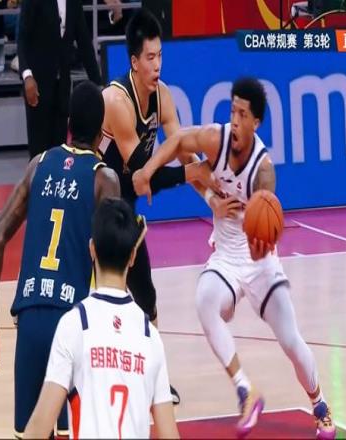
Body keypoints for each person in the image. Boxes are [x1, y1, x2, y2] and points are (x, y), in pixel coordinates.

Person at [133, 77, 336, 439]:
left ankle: (319, 403)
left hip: (260, 262)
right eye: (233, 111)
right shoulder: (217, 139)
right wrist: (148, 172)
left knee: (290, 340)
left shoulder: (263, 171)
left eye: (243, 115)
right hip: (226, 256)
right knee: (204, 302)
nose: (236, 121)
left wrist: (259, 241)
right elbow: (178, 141)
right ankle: (246, 390)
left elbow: (265, 233)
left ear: (256, 122)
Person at [0, 81, 120, 438]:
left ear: (69, 123)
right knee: (74, 430)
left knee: (29, 433)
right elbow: (113, 254)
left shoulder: (38, 165)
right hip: (72, 320)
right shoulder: (104, 179)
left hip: (30, 315)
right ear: (102, 131)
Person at [99, 8, 216, 404]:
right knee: (96, 301)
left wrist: (212, 199)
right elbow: (141, 175)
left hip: (125, 204)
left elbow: (181, 150)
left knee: (146, 298)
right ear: (134, 61)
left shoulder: (163, 95)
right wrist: (194, 173)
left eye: (160, 55)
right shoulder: (117, 101)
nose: (157, 65)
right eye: (150, 57)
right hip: (97, 204)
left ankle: (155, 381)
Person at [23, 198, 179, 439]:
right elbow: (170, 435)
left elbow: (39, 427)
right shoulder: (150, 335)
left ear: (92, 249)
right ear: (133, 256)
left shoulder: (75, 324)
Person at [18, 0, 102, 159]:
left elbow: (84, 42)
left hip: (62, 85)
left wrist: (99, 84)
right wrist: (27, 76)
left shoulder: (74, 3)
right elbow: (22, 39)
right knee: (38, 150)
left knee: (59, 148)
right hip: (37, 85)